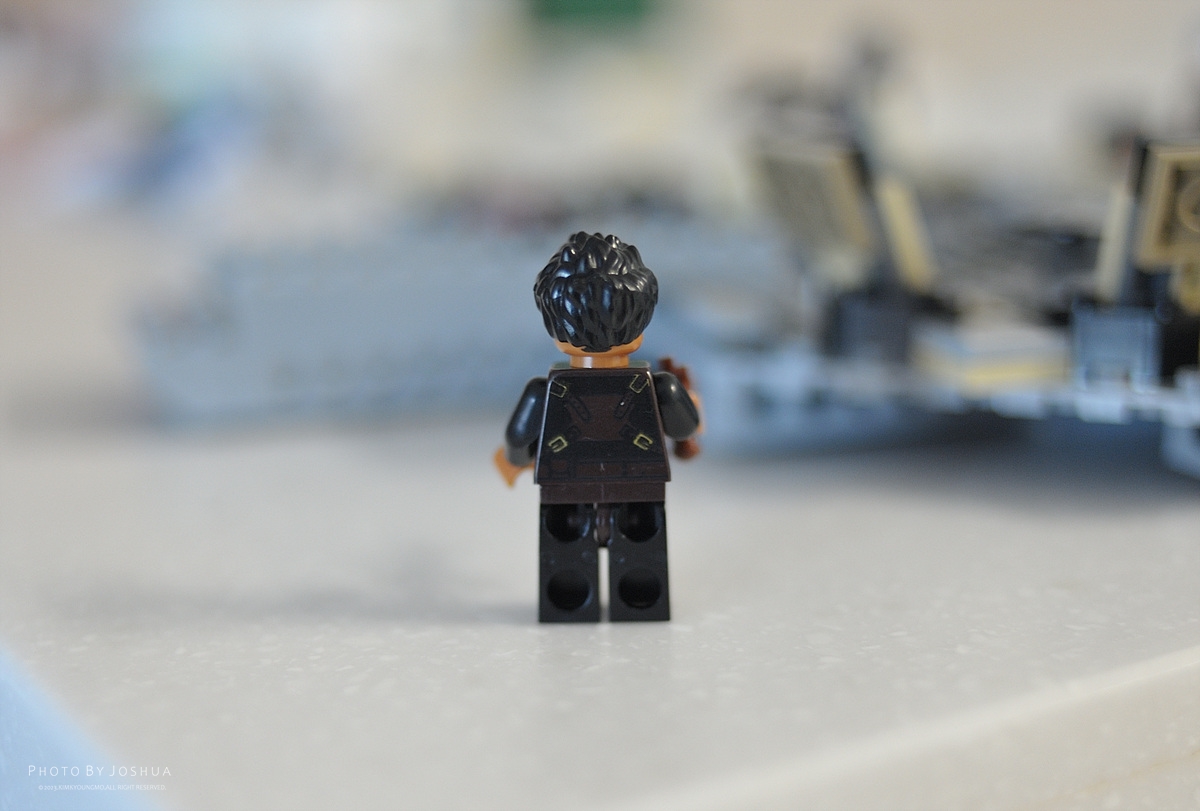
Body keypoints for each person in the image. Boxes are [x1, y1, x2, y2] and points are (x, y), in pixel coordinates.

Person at [496, 232, 701, 622]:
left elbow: (517, 438)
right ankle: (640, 604)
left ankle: (569, 604)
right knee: (641, 552)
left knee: (565, 552)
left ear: (555, 327)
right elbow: (684, 426)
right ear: (641, 320)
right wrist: (687, 433)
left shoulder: (544, 391)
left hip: (564, 485)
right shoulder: (659, 387)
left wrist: (517, 459)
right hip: (639, 482)